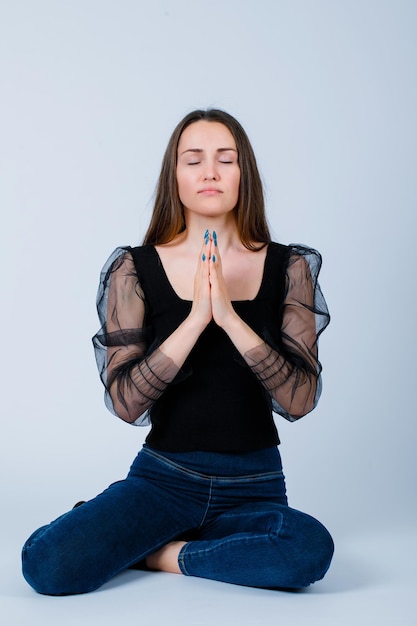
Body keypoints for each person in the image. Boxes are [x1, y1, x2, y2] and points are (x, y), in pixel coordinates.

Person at [22, 109, 333, 595]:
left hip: (255, 485)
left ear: (242, 174)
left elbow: (300, 400)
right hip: (164, 481)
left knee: (307, 550)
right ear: (176, 176)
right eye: (194, 160)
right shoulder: (134, 268)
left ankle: (157, 552)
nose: (209, 171)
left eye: (225, 159)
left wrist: (230, 317)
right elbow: (126, 404)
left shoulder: (288, 265)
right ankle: (155, 534)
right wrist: (195, 320)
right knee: (47, 563)